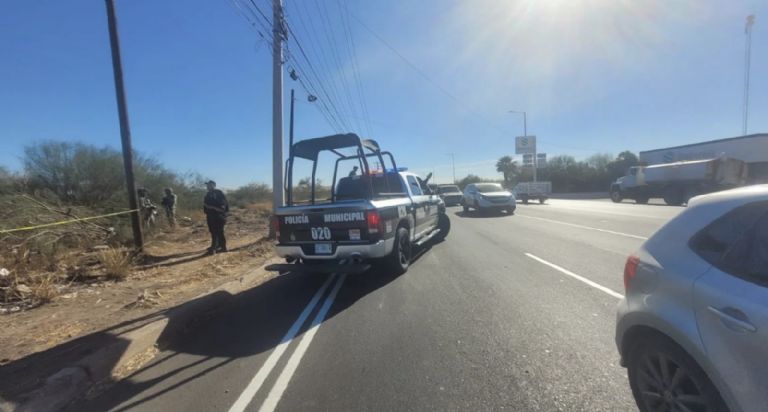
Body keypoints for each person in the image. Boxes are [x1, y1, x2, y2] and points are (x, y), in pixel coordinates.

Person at [203, 180, 229, 253]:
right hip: (210, 216)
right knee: (213, 231)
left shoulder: (218, 193)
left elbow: (222, 207)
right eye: (207, 185)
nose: (207, 186)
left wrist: (212, 207)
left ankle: (219, 248)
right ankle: (217, 245)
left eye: (209, 185)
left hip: (218, 216)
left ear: (214, 185)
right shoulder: (208, 194)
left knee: (219, 232)